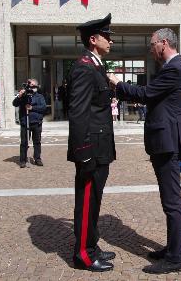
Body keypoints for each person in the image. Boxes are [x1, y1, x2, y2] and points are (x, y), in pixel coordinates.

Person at [108, 28, 181, 274]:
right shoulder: (172, 68)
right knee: (170, 202)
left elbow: (146, 94)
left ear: (164, 43)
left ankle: (175, 259)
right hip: (165, 141)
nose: (150, 48)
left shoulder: (175, 68)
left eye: (152, 44)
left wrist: (118, 83)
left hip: (167, 143)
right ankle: (172, 249)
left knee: (172, 203)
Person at [67, 14, 116, 272]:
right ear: (93, 39)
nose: (111, 40)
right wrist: (82, 151)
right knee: (87, 201)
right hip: (91, 149)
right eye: (106, 36)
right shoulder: (84, 66)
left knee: (95, 200)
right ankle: (83, 255)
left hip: (100, 146)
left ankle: (92, 245)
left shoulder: (96, 65)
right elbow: (78, 113)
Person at [12, 79, 46, 168]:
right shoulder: (24, 96)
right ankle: (23, 160)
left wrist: (32, 108)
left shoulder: (40, 96)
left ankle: (37, 158)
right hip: (25, 122)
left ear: (37, 87)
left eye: (34, 86)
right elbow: (14, 104)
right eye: (30, 86)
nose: (32, 88)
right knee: (24, 142)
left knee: (37, 142)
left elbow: (43, 108)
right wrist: (19, 96)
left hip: (36, 123)